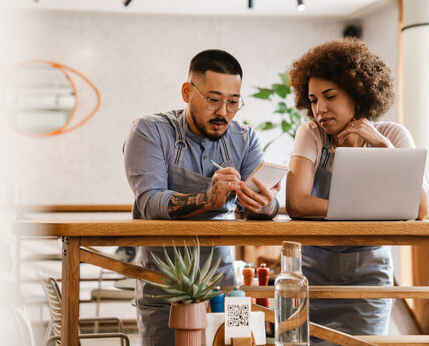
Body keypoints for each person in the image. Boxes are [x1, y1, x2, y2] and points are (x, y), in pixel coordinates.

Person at [123, 49, 280, 346]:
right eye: (213, 100)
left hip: (225, 286)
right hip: (163, 286)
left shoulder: (245, 139)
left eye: (233, 102)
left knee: (235, 342)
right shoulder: (149, 131)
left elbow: (266, 202)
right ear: (187, 92)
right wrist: (208, 199)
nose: (224, 112)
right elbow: (149, 203)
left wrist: (266, 204)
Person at [286, 38, 429, 344]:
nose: (319, 109)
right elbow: (297, 203)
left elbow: (420, 210)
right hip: (313, 276)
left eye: (329, 96)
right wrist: (367, 210)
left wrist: (383, 147)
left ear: (357, 93)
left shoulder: (393, 134)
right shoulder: (312, 134)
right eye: (312, 100)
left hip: (370, 278)